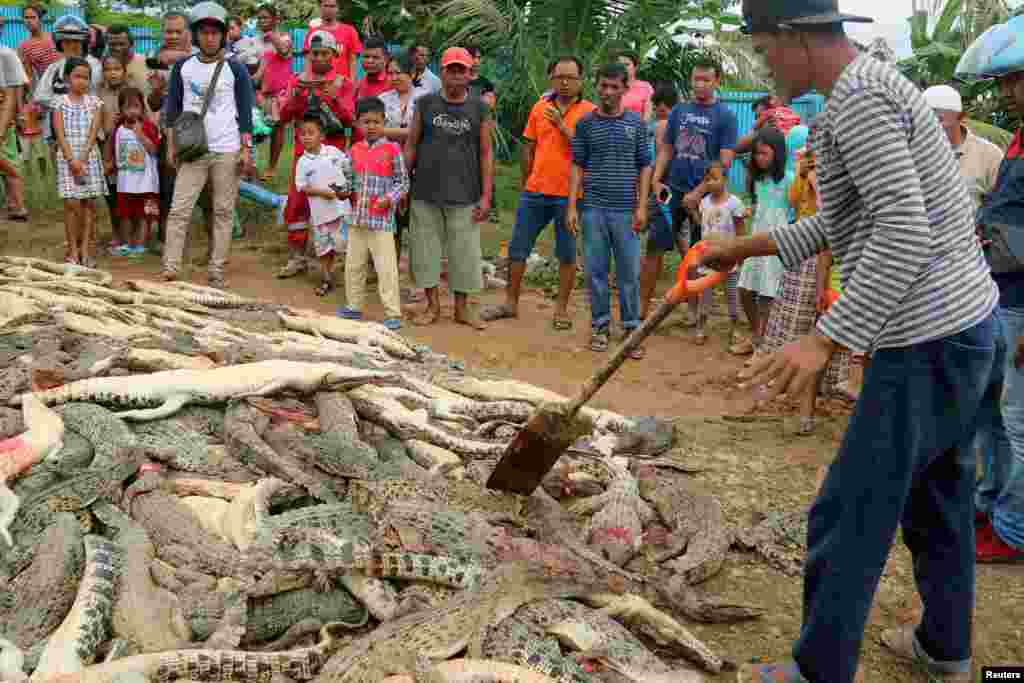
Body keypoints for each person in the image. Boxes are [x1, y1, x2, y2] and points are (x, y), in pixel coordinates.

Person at [704, 2, 1000, 682]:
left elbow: (904, 232)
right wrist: (745, 246)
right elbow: (845, 224)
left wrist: (825, 338)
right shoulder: (869, 89)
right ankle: (945, 647)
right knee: (939, 498)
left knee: (850, 509)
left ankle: (819, 670)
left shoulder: (860, 101)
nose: (762, 63)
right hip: (964, 328)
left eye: (762, 47)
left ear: (795, 38)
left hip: (927, 340)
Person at [958, 15, 1024, 564]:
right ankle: (987, 503)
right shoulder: (1021, 138)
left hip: (1022, 305)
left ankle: (1015, 529)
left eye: (1016, 78)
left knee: (1019, 420)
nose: (1007, 90)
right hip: (998, 295)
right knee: (991, 412)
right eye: (1004, 80)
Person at [480, 55, 595, 329]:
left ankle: (562, 310)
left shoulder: (591, 113)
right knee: (518, 248)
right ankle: (510, 303)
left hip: (571, 195)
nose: (565, 82)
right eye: (559, 77)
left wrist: (563, 127)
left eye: (571, 77)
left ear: (581, 81)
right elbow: (527, 146)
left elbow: (589, 151)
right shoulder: (539, 107)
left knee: (567, 253)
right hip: (536, 191)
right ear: (551, 79)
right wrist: (526, 180)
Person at [757, 125, 855, 436]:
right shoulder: (802, 177)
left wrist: (823, 281)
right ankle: (803, 408)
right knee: (801, 332)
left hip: (830, 265)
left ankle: (810, 408)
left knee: (823, 336)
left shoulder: (844, 180)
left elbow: (830, 227)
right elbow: (799, 210)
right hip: (806, 261)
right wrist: (807, 180)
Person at [160, 1, 256, 289]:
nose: (210, 37)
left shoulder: (235, 69)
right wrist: (170, 145)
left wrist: (246, 148)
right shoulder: (183, 67)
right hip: (193, 148)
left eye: (215, 32)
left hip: (227, 149)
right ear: (196, 35)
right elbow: (173, 109)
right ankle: (171, 267)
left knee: (224, 210)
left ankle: (216, 269)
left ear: (223, 35)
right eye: (204, 31)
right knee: (179, 209)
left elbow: (246, 112)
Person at [404, 46, 493, 329]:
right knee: (425, 250)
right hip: (425, 190)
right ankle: (432, 306)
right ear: (441, 72)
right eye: (450, 69)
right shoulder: (425, 104)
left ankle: (462, 309)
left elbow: (487, 153)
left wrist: (486, 195)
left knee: (464, 252)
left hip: (465, 192)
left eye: (461, 70)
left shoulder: (480, 107)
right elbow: (412, 144)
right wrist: (403, 184)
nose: (456, 75)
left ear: (470, 74)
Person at [568, 61, 652, 357]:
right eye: (603, 85)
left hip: (626, 210)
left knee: (629, 273)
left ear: (625, 89)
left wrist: (642, 206)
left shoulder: (636, 125)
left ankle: (631, 329)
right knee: (596, 271)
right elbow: (577, 165)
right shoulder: (585, 125)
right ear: (597, 85)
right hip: (593, 208)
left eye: (614, 86)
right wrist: (571, 207)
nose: (607, 91)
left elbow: (645, 166)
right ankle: (600, 326)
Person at [645, 58, 737, 327]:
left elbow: (725, 161)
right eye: (696, 79)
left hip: (706, 199)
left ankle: (695, 314)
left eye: (706, 79)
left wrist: (699, 192)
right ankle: (641, 313)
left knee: (700, 256)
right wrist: (656, 180)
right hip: (672, 191)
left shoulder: (726, 117)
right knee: (654, 248)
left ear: (716, 81)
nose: (700, 84)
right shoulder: (680, 111)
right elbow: (666, 149)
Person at [276, 30, 356, 280]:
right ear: (308, 55)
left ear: (334, 55)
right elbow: (284, 117)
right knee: (297, 203)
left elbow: (351, 121)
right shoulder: (296, 81)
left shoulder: (344, 83)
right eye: (314, 53)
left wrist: (335, 100)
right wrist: (298, 96)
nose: (319, 57)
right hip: (304, 156)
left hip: (333, 156)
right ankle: (297, 258)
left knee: (335, 204)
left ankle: (336, 262)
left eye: (324, 53)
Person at [338, 96, 409, 329]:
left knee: (385, 268)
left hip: (382, 222)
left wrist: (388, 200)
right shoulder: (354, 150)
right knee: (353, 265)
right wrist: (341, 191)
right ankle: (354, 306)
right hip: (357, 219)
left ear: (384, 122)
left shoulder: (392, 149)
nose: (371, 127)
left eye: (376, 122)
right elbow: (349, 182)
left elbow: (403, 183)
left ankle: (392, 313)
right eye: (366, 122)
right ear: (358, 123)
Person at [734, 126, 789, 359]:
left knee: (767, 296)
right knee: (745, 290)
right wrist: (751, 209)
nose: (759, 158)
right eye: (757, 153)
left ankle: (763, 348)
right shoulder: (759, 180)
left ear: (777, 153)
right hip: (756, 240)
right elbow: (762, 207)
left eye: (764, 153)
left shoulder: (790, 180)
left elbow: (791, 212)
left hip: (776, 245)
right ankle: (757, 335)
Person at [54, 57, 108, 268]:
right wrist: (71, 159)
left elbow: (94, 133)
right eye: (77, 76)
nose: (81, 81)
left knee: (88, 205)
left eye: (86, 77)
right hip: (67, 158)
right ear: (67, 78)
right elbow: (60, 134)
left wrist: (82, 158)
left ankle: (85, 251)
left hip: (89, 157)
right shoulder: (59, 103)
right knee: (70, 204)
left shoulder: (95, 103)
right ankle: (72, 251)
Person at [294, 111, 351, 297]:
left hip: (341, 210)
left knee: (345, 244)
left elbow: (348, 168)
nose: (306, 137)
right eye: (303, 134)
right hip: (320, 214)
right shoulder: (302, 162)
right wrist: (322, 193)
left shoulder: (333, 153)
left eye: (311, 133)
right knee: (323, 248)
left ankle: (352, 280)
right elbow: (301, 187)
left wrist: (347, 189)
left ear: (322, 135)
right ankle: (327, 278)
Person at [379, 51, 429, 259]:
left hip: (420, 165)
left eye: (398, 72)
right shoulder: (381, 99)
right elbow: (374, 130)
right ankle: (390, 267)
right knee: (391, 220)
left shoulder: (426, 99)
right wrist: (410, 132)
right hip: (388, 165)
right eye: (390, 73)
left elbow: (427, 132)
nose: (394, 77)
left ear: (411, 72)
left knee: (417, 219)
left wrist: (389, 132)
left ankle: (420, 274)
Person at [923, 84, 1003, 208]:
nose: (931, 127)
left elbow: (1001, 206)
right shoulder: (913, 153)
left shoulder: (989, 155)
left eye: (939, 120)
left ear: (960, 117)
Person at [694, 161, 744, 345]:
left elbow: (740, 231)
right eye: (707, 180)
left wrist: (740, 255)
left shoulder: (735, 203)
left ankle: (736, 328)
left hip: (729, 259)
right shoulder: (703, 202)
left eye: (715, 179)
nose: (711, 183)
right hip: (707, 259)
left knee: (732, 295)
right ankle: (700, 327)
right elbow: (703, 225)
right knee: (704, 294)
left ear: (725, 179)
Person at [109, 86, 160, 257]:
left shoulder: (148, 127)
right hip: (125, 182)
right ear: (121, 109)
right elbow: (113, 149)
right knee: (125, 214)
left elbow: (154, 150)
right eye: (127, 107)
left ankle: (140, 245)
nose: (132, 111)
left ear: (142, 108)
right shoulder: (118, 128)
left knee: (144, 214)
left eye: (136, 106)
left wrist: (141, 136)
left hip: (146, 182)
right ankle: (126, 244)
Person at [17, 4, 59, 178]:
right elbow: (26, 78)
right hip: (48, 95)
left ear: (40, 19)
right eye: (26, 18)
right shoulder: (24, 46)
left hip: (68, 88)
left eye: (32, 17)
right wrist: (25, 106)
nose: (29, 21)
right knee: (52, 138)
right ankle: (59, 179)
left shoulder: (54, 38)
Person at [0, 17, 29, 222]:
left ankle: (18, 206)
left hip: (2, 118)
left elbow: (12, 92)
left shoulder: (6, 54)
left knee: (8, 163)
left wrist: (6, 124)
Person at [99, 54, 128, 251]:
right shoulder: (99, 95)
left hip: (129, 152)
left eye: (117, 68)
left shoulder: (131, 92)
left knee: (129, 194)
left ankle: (131, 235)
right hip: (107, 149)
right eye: (108, 69)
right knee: (112, 195)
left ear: (124, 71)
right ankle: (117, 233)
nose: (112, 73)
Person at [257, 31, 293, 181]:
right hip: (264, 97)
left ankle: (271, 167)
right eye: (280, 41)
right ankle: (250, 165)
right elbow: (259, 74)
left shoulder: (288, 57)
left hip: (280, 99)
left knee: (277, 131)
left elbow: (282, 50)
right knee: (257, 131)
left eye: (286, 42)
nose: (282, 44)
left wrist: (271, 34)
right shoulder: (267, 56)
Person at [304, 0, 361, 80]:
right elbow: (308, 60)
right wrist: (308, 81)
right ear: (320, 8)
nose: (329, 9)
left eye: (332, 6)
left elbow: (353, 61)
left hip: (342, 84)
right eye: (326, 6)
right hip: (319, 84)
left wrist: (351, 83)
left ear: (338, 8)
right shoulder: (312, 32)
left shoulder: (350, 31)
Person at [107, 25, 150, 92]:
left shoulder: (147, 62)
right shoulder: (102, 66)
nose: (117, 48)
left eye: (122, 44)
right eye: (112, 44)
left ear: (131, 43)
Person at [617, 50, 653, 120]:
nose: (623, 68)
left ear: (635, 67)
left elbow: (647, 115)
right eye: (620, 65)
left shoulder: (645, 87)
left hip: (637, 129)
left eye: (627, 64)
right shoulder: (610, 86)